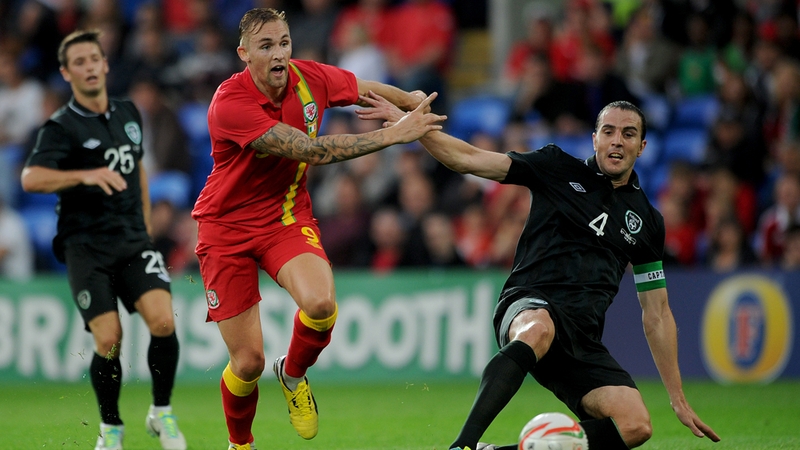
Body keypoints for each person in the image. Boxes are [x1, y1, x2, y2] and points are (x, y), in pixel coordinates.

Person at [358, 96, 720, 450]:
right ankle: (463, 446)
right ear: (594, 139)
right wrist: (416, 129)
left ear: (641, 147)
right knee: (540, 326)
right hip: (528, 303)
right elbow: (468, 158)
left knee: (635, 425)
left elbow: (656, 312)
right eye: (608, 131)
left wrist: (678, 398)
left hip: (580, 339)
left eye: (628, 134)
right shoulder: (556, 167)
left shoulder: (648, 222)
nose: (616, 140)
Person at [189, 8, 444, 450]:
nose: (279, 54)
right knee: (247, 362)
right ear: (244, 54)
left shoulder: (310, 77)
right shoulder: (230, 103)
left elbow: (362, 88)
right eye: (266, 46)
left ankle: (292, 375)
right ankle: (240, 445)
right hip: (225, 228)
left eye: (284, 42)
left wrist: (408, 98)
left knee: (322, 303)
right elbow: (310, 150)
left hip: (283, 216)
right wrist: (393, 134)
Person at [20, 30, 186, 450]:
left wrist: (146, 224)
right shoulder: (60, 127)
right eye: (80, 62)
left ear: (105, 63)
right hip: (86, 247)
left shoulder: (129, 112)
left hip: (133, 240)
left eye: (95, 58)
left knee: (164, 321)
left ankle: (161, 412)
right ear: (66, 72)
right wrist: (84, 174)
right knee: (109, 339)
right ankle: (111, 427)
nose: (90, 66)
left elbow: (138, 167)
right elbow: (31, 177)